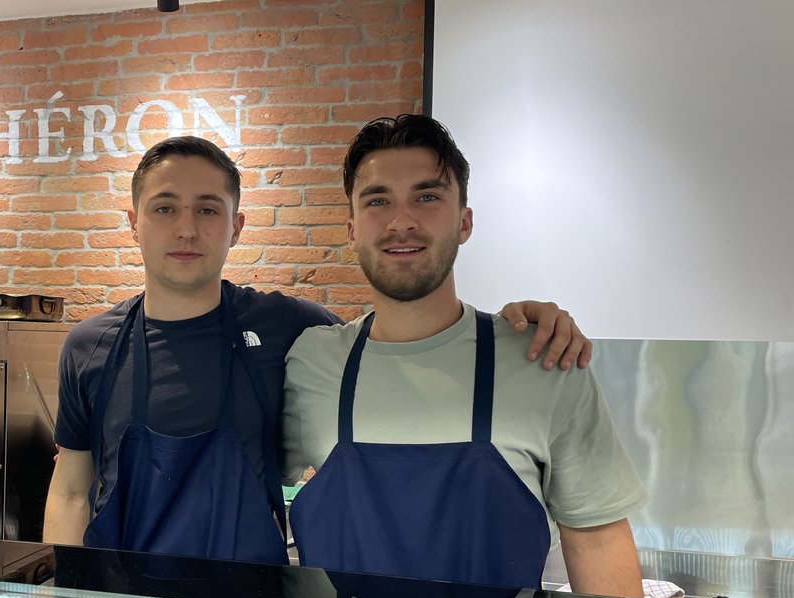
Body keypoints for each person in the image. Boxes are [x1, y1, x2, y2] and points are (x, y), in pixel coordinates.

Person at [43, 135, 591, 565]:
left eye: (208, 209)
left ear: (236, 227)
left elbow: (399, 336)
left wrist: (516, 324)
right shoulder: (90, 347)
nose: (186, 229)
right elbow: (70, 492)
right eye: (165, 209)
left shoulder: (290, 327)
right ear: (133, 223)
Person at [282, 115, 647, 597]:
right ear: (352, 230)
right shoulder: (311, 362)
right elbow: (248, 486)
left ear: (465, 223)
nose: (401, 221)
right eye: (378, 200)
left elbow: (597, 539)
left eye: (427, 197)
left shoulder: (543, 360)